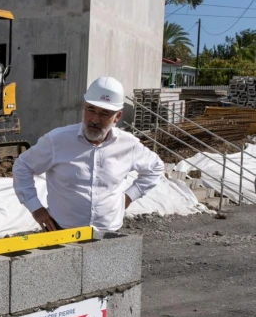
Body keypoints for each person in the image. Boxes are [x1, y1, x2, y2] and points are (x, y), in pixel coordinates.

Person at [13, 76, 164, 232]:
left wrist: (129, 196)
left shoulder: (129, 145)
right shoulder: (57, 141)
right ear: (84, 107)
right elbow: (22, 166)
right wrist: (36, 208)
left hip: (108, 235)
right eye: (91, 110)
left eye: (104, 114)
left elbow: (155, 167)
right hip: (62, 232)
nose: (94, 119)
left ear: (117, 117)